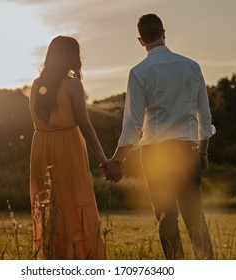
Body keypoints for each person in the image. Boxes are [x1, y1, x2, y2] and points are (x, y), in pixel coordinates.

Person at [102, 14, 215, 259]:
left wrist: (116, 160)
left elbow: (132, 124)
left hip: (157, 157)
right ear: (164, 33)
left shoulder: (139, 72)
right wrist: (203, 152)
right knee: (196, 218)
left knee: (166, 220)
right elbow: (203, 116)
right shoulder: (191, 66)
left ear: (141, 41)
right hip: (187, 152)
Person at [29, 36, 106, 259]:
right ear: (72, 57)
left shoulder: (36, 85)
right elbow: (86, 126)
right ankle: (81, 257)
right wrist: (103, 159)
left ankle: (55, 257)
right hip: (66, 146)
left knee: (50, 204)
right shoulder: (73, 85)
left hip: (41, 146)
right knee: (73, 200)